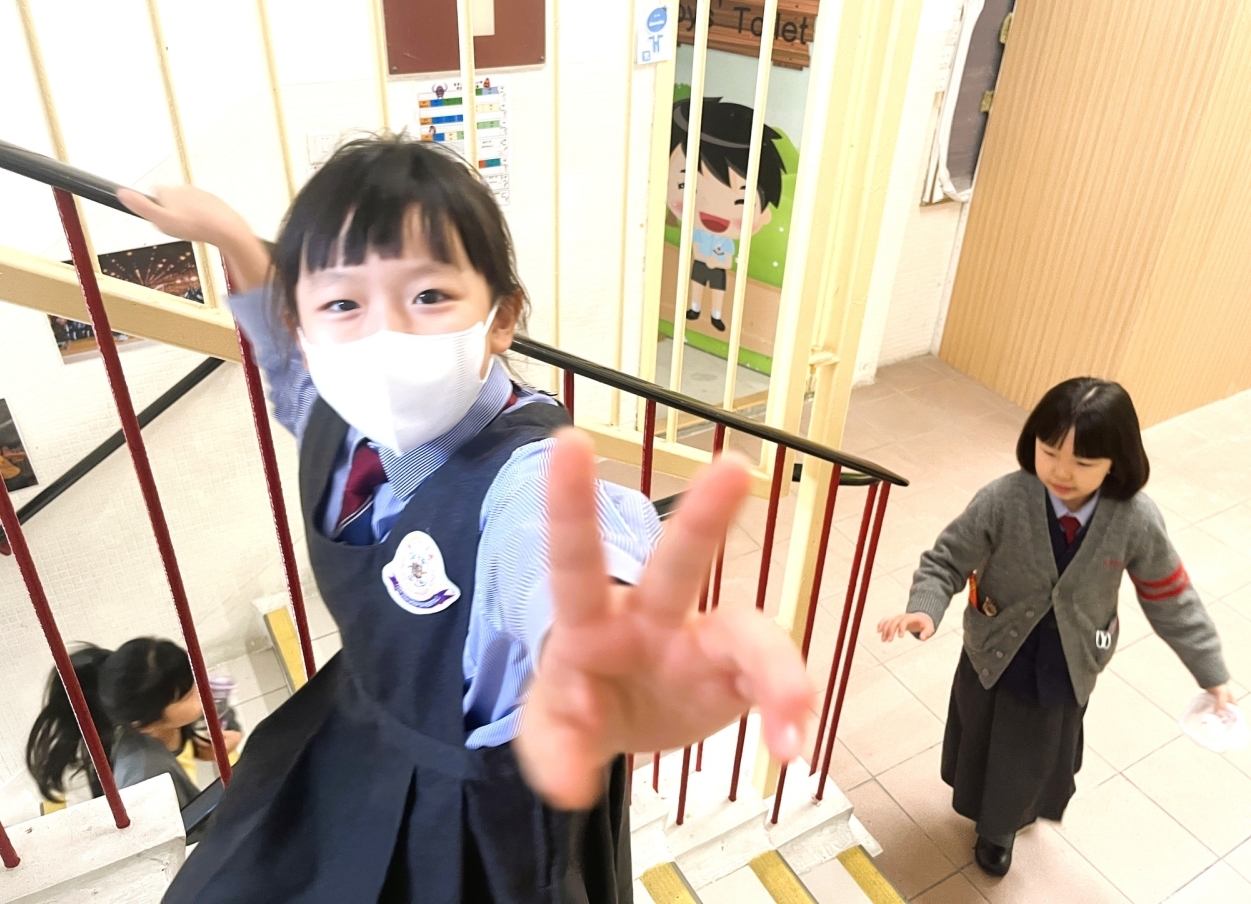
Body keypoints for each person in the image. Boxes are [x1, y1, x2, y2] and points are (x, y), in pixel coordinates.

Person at [119, 133, 812, 904]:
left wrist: (599, 647)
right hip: (352, 737)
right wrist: (229, 237)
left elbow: (546, 552)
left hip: (470, 819)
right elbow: (286, 367)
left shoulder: (529, 478)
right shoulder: (342, 421)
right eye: (343, 303)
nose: (381, 337)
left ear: (501, 317)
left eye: (428, 296)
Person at [877, 378, 1232, 878]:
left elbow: (1171, 596)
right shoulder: (1004, 499)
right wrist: (925, 608)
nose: (1061, 472)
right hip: (995, 655)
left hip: (1070, 662)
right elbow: (945, 561)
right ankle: (992, 820)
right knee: (984, 742)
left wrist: (1211, 671)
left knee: (1038, 752)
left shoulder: (1135, 519)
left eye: (1083, 462)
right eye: (1049, 453)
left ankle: (1005, 823)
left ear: (1117, 461)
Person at [26, 639, 242, 812]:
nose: (202, 687)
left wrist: (220, 740)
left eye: (193, 675)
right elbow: (185, 833)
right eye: (187, 695)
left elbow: (220, 709)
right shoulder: (143, 777)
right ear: (145, 724)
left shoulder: (168, 691)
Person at [668, 98, 786, 333]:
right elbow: (696, 248)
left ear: (764, 214)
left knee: (718, 290)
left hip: (717, 267)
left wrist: (715, 261)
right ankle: (694, 308)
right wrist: (705, 257)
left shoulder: (725, 241)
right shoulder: (699, 233)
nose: (712, 209)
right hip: (702, 262)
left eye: (741, 201)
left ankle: (716, 315)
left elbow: (727, 260)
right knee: (696, 284)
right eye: (687, 186)